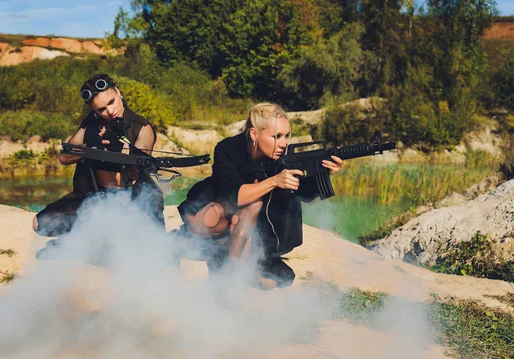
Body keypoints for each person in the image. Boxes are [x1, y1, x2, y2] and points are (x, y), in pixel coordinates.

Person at [177, 103, 344, 289]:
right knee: (251, 204)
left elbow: (302, 192)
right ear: (254, 134)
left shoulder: (282, 157)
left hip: (243, 230)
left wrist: (325, 174)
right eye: (276, 136)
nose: (283, 143)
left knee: (271, 282)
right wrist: (274, 181)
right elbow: (234, 196)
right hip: (211, 216)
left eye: (286, 136)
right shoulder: (228, 149)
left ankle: (229, 263)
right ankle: (227, 270)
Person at [32, 74, 164, 237]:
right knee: (41, 223)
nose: (110, 111)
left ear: (118, 92)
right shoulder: (91, 123)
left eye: (111, 102)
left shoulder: (142, 127)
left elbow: (136, 173)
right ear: (94, 110)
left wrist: (124, 154)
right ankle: (92, 236)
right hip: (92, 198)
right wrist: (93, 146)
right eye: (101, 109)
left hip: (134, 201)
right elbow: (64, 158)